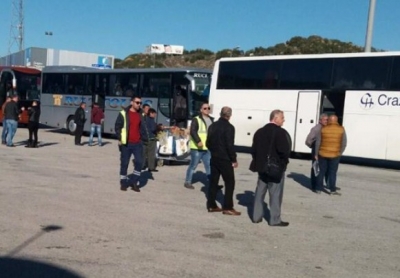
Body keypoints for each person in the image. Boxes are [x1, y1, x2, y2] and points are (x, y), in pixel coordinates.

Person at [250, 109, 291, 226]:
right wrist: (283, 164)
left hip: (261, 167)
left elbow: (253, 150)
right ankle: (275, 219)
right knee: (275, 194)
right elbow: (284, 151)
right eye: (282, 118)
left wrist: (259, 162)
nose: (284, 120)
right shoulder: (280, 132)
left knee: (259, 192)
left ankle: (256, 217)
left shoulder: (259, 132)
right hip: (275, 168)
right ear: (275, 118)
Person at [206, 106, 240, 215]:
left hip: (214, 157)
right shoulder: (229, 127)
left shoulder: (212, 126)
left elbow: (208, 143)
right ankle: (228, 207)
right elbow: (230, 145)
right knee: (230, 182)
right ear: (229, 115)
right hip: (225, 159)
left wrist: (213, 151)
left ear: (221, 114)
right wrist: (233, 159)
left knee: (213, 182)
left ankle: (211, 205)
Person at [115, 96, 143, 192]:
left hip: (137, 143)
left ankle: (134, 182)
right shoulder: (123, 113)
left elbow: (144, 128)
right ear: (132, 103)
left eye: (140, 103)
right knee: (124, 163)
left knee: (139, 162)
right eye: (137, 102)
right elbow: (117, 126)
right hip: (126, 144)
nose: (139, 104)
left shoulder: (141, 114)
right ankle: (123, 183)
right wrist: (120, 138)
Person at [315, 115, 347, 196]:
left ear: (329, 120)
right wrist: (340, 152)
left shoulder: (323, 129)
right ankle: (332, 190)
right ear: (336, 121)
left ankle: (318, 189)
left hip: (322, 153)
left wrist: (316, 153)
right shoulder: (341, 129)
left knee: (321, 171)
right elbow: (344, 143)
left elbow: (318, 142)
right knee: (332, 172)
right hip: (335, 154)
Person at [184, 102, 213, 189]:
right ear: (201, 110)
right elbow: (193, 131)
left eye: (208, 108)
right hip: (197, 147)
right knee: (193, 165)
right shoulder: (196, 119)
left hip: (207, 147)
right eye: (205, 108)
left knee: (209, 166)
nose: (207, 110)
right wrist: (198, 141)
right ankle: (188, 182)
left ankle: (212, 184)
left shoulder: (211, 120)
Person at [305, 113, 329, 192]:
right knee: (316, 168)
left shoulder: (325, 128)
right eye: (325, 119)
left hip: (322, 149)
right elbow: (308, 140)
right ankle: (314, 185)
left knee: (320, 168)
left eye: (327, 120)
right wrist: (313, 147)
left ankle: (317, 184)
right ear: (320, 120)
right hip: (316, 149)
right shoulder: (316, 128)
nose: (326, 121)